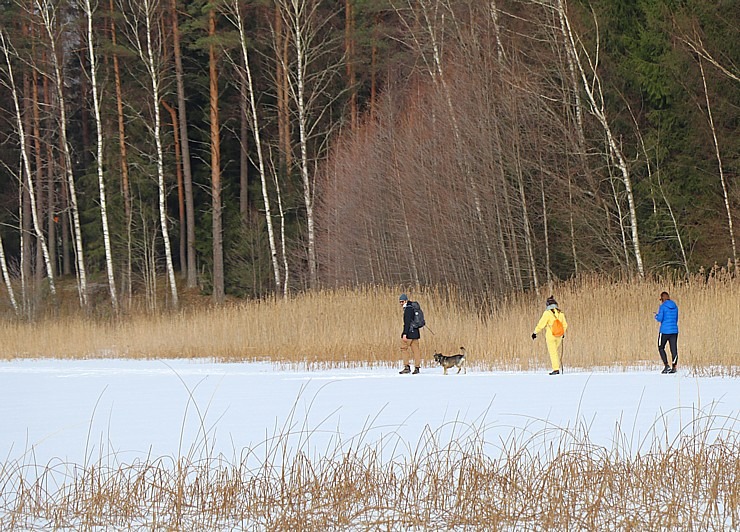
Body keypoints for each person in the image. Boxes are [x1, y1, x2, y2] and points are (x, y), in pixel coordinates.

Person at [532, 296, 568, 375]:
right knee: (556, 352)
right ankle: (556, 367)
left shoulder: (547, 313)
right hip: (559, 336)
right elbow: (565, 325)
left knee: (553, 352)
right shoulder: (560, 313)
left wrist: (535, 332)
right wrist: (562, 333)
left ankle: (556, 369)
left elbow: (541, 324)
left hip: (551, 336)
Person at [655, 291, 679, 374]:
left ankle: (666, 365)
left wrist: (656, 316)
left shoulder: (662, 307)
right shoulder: (675, 306)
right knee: (673, 348)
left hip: (664, 330)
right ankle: (674, 366)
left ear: (662, 299)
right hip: (674, 330)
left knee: (660, 347)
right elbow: (676, 319)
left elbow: (660, 318)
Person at [398, 293, 422, 374]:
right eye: (400, 302)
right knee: (416, 351)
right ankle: (417, 367)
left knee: (403, 348)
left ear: (406, 300)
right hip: (415, 332)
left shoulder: (408, 309)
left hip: (409, 333)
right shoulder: (413, 307)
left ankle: (406, 367)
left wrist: (404, 334)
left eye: (402, 301)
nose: (401, 303)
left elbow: (407, 323)